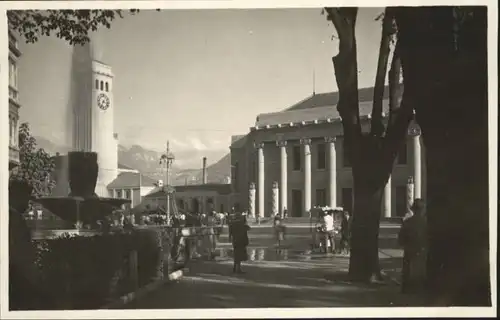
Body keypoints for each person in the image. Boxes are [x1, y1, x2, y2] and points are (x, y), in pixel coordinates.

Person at [9, 179, 55, 310]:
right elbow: (19, 254)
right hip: (18, 278)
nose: (27, 203)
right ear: (16, 196)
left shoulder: (12, 216)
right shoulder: (15, 218)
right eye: (26, 197)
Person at [398, 198, 427, 294]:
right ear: (423, 209)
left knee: (407, 269)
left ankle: (406, 289)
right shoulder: (427, 223)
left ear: (413, 210)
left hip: (409, 250)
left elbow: (401, 240)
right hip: (423, 251)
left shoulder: (407, 223)